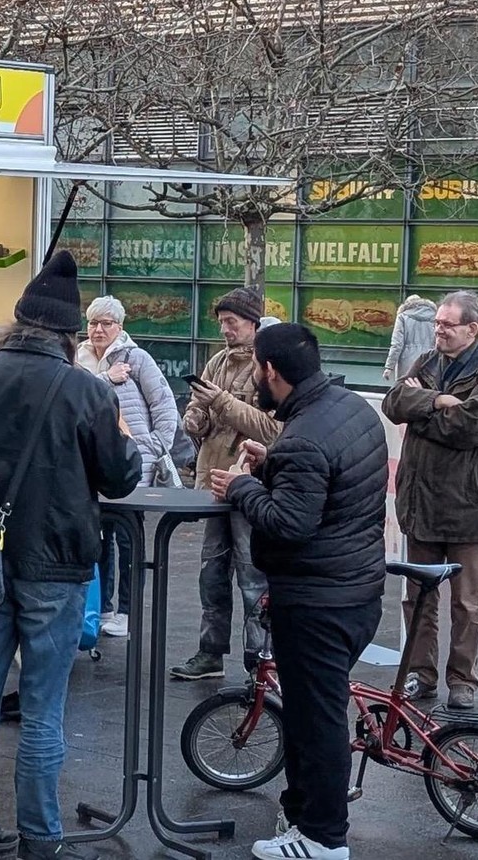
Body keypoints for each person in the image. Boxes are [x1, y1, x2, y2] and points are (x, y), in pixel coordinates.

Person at [0, 251, 139, 860]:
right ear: (70, 332)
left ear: (16, 323)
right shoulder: (88, 390)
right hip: (58, 562)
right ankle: (41, 838)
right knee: (44, 711)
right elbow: (119, 477)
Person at [208, 323, 387, 860]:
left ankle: (323, 836)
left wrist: (242, 486)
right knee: (318, 712)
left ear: (270, 372)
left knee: (317, 719)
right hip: (356, 588)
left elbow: (289, 523)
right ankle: (306, 813)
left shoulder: (305, 437)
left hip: (317, 600)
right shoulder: (349, 408)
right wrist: (275, 465)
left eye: (257, 369)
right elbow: (330, 488)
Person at [381, 291, 478, 712]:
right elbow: (394, 402)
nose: (438, 330)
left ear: (471, 329)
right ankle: (422, 673)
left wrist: (424, 414)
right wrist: (436, 400)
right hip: (421, 504)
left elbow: (473, 425)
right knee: (418, 597)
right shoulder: (426, 363)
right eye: (437, 323)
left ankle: (462, 679)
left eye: (447, 325)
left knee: (466, 600)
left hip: (468, 507)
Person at [173, 286, 282, 680]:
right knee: (211, 572)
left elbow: (270, 429)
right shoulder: (216, 361)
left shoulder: (269, 365)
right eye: (221, 322)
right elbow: (199, 408)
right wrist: (194, 418)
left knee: (253, 576)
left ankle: (260, 659)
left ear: (252, 323)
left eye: (231, 322)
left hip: (251, 485)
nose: (225, 329)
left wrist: (219, 402)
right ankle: (210, 652)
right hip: (214, 482)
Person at [76, 295, 179, 639]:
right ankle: (103, 607)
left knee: (128, 539)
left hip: (130, 465)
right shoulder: (79, 360)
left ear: (120, 327)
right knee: (99, 540)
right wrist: (106, 377)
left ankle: (127, 610)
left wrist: (150, 446)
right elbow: (82, 396)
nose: (98, 330)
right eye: (93, 322)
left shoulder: (136, 359)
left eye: (106, 323)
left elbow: (164, 406)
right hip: (91, 466)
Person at [383, 294, 436, 382]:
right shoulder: (435, 317)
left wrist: (389, 367)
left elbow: (397, 344)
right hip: (429, 361)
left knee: (405, 390)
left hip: (407, 362)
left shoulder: (403, 317)